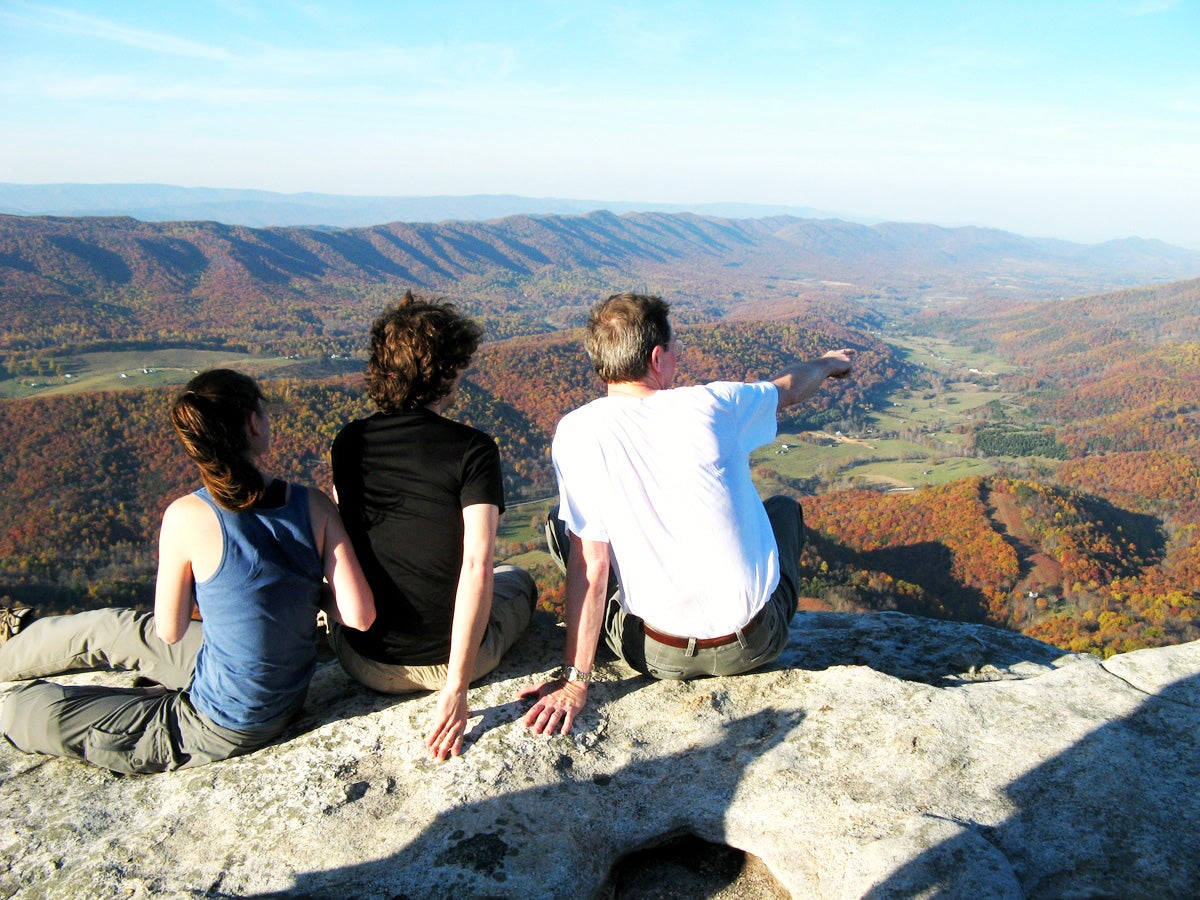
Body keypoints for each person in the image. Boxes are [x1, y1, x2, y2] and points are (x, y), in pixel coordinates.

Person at [0, 369, 375, 774]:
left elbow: (170, 629)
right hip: (275, 694)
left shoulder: (185, 515)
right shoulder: (314, 504)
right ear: (253, 423)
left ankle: (13, 669)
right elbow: (358, 616)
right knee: (115, 628)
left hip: (224, 723)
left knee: (25, 709)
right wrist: (300, 590)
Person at [519, 292, 854, 736]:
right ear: (657, 358)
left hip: (657, 655)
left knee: (565, 526)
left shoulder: (575, 431)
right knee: (784, 510)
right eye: (674, 348)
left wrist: (575, 682)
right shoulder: (715, 405)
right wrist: (829, 363)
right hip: (755, 643)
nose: (677, 356)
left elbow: (593, 566)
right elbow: (790, 387)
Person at [330, 292, 536, 761]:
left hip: (365, 661)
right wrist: (456, 689)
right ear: (444, 372)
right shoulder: (473, 450)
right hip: (451, 666)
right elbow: (477, 565)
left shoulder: (349, 442)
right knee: (517, 579)